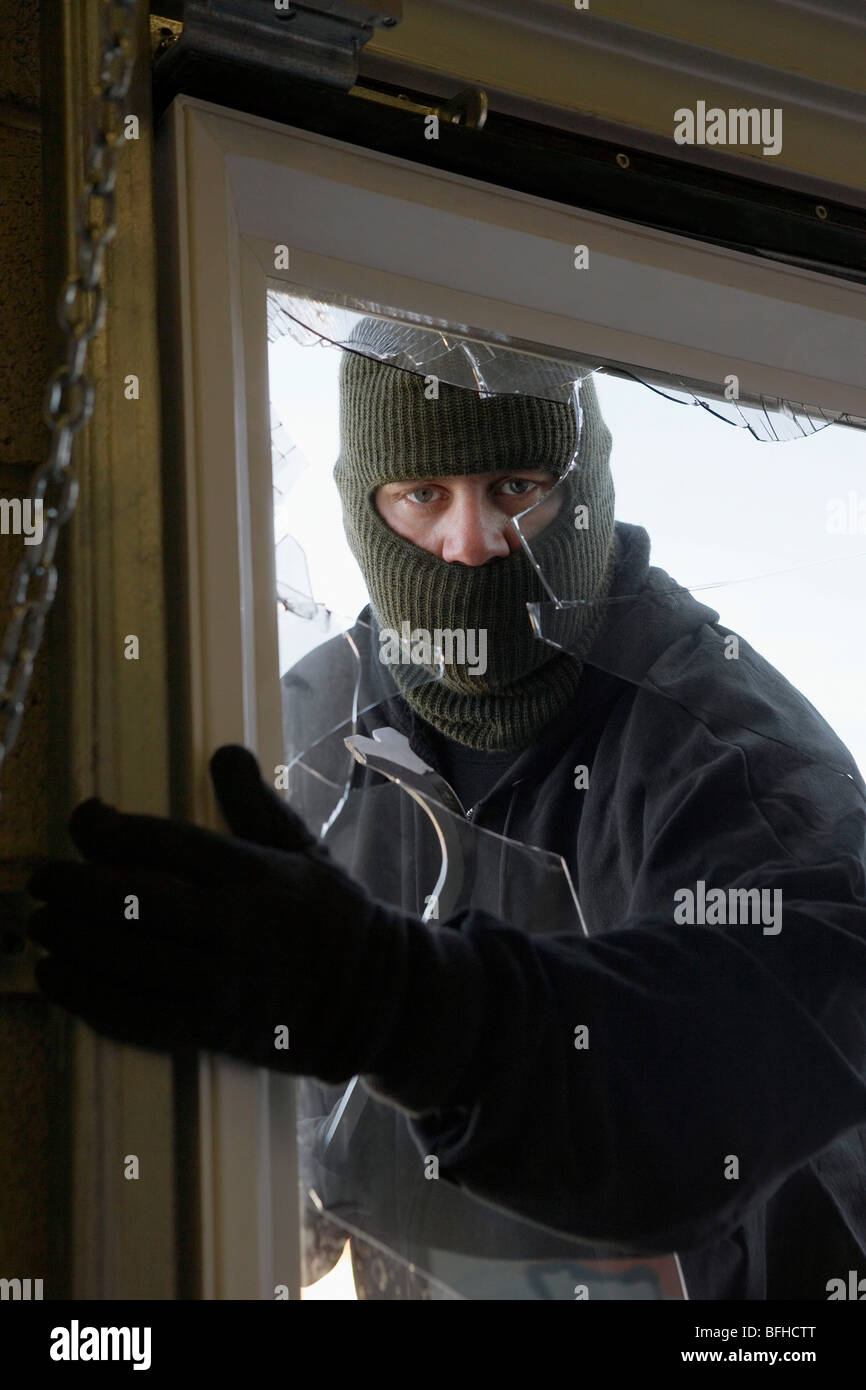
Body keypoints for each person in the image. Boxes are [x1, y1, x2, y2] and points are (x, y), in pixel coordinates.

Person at [27, 320, 866, 1302]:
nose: (468, 545)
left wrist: (398, 1003)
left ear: (580, 488)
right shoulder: (299, 732)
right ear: (364, 506)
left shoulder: (730, 753)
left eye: (514, 488)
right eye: (423, 495)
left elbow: (738, 1061)